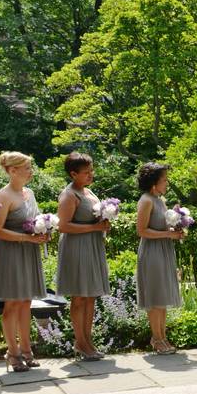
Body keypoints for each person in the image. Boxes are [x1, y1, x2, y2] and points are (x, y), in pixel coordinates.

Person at [0, 152, 49, 372]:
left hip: (28, 251)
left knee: (25, 302)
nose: (31, 171)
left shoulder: (29, 193)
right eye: (27, 167)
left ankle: (26, 350)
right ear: (13, 171)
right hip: (9, 253)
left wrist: (43, 230)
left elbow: (36, 219)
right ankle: (12, 352)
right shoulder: (3, 196)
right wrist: (26, 237)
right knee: (12, 303)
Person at [56, 152, 111, 361]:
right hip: (76, 247)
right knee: (79, 297)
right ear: (73, 173)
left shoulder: (89, 193)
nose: (91, 174)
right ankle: (80, 342)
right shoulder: (69, 195)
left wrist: (105, 222)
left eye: (91, 170)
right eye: (86, 172)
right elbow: (63, 225)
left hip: (92, 246)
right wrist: (94, 227)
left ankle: (88, 342)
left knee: (90, 296)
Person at [135, 162, 184, 354]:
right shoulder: (146, 200)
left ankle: (162, 337)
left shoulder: (160, 200)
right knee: (155, 296)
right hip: (152, 252)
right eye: (164, 180)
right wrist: (168, 235)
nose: (167, 183)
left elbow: (161, 226)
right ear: (154, 183)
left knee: (162, 296)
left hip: (163, 250)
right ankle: (156, 338)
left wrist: (176, 229)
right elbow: (142, 230)